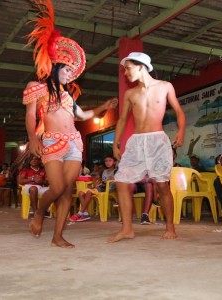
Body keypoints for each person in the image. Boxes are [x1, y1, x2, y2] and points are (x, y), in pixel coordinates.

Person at [23, 1, 118, 247]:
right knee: (55, 188)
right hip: (52, 142)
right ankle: (39, 215)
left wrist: (104, 107)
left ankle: (57, 236)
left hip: (74, 143)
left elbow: (84, 117)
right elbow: (30, 115)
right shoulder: (37, 88)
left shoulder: (68, 96)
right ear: (55, 67)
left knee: (67, 192)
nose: (70, 73)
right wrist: (33, 139)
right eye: (67, 69)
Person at [109, 52, 185, 242]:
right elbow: (123, 119)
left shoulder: (165, 86)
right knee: (121, 182)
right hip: (136, 142)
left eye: (128, 68)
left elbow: (178, 111)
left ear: (141, 66)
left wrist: (181, 131)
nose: (125, 73)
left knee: (161, 185)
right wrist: (116, 143)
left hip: (157, 141)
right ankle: (127, 229)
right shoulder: (130, 93)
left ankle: (170, 227)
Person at [71, 155, 116, 222]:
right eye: (106, 161)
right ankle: (85, 213)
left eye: (110, 161)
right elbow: (94, 178)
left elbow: (116, 177)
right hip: (100, 188)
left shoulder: (116, 171)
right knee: (80, 193)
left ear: (114, 162)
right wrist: (95, 183)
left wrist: (109, 179)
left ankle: (80, 213)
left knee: (89, 192)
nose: (107, 162)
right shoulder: (104, 171)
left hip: (108, 189)